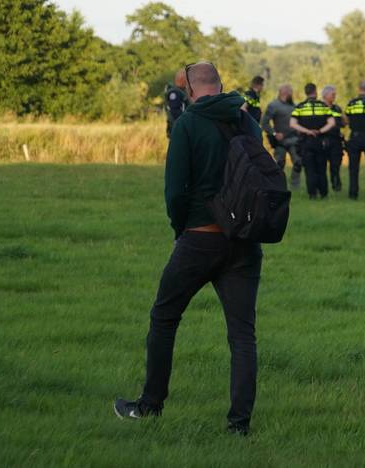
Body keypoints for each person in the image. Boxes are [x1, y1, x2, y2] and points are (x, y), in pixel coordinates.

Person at [114, 62, 265, 437]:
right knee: (242, 335)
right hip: (244, 241)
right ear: (221, 85)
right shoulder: (248, 121)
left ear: (191, 90)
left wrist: (180, 229)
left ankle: (149, 406)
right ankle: (238, 425)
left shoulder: (187, 123)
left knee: (164, 318)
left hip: (200, 236)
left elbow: (174, 190)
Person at [290, 83, 337, 199]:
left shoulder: (300, 107)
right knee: (321, 168)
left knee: (309, 169)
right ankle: (324, 193)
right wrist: (320, 131)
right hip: (321, 141)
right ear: (315, 92)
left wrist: (307, 131)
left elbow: (292, 124)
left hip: (306, 142)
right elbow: (332, 123)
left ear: (306, 92)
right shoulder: (323, 106)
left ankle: (312, 194)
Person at [262, 84, 302, 189]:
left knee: (298, 162)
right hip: (280, 142)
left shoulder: (295, 106)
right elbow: (264, 123)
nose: (292, 94)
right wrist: (274, 134)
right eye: (291, 92)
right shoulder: (273, 105)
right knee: (279, 164)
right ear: (285, 93)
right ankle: (278, 185)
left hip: (294, 140)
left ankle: (295, 185)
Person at [320, 85, 345, 193]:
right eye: (332, 95)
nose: (334, 97)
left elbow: (343, 122)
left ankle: (336, 184)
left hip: (336, 140)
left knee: (336, 165)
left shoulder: (337, 108)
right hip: (323, 139)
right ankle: (323, 187)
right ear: (325, 95)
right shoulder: (319, 108)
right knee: (322, 165)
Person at [163, 69, 188, 135]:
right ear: (182, 80)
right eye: (187, 79)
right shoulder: (174, 93)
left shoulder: (181, 91)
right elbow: (175, 111)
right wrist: (188, 121)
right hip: (177, 129)